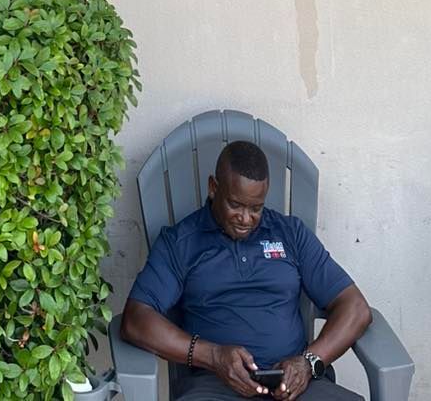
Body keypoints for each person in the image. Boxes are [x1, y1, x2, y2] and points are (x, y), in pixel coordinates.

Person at [120, 140, 372, 398]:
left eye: (255, 208)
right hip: (215, 385)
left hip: (296, 384)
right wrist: (213, 356)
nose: (245, 219)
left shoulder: (290, 234)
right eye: (235, 205)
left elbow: (355, 307)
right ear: (213, 188)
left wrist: (308, 362)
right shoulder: (181, 242)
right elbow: (136, 320)